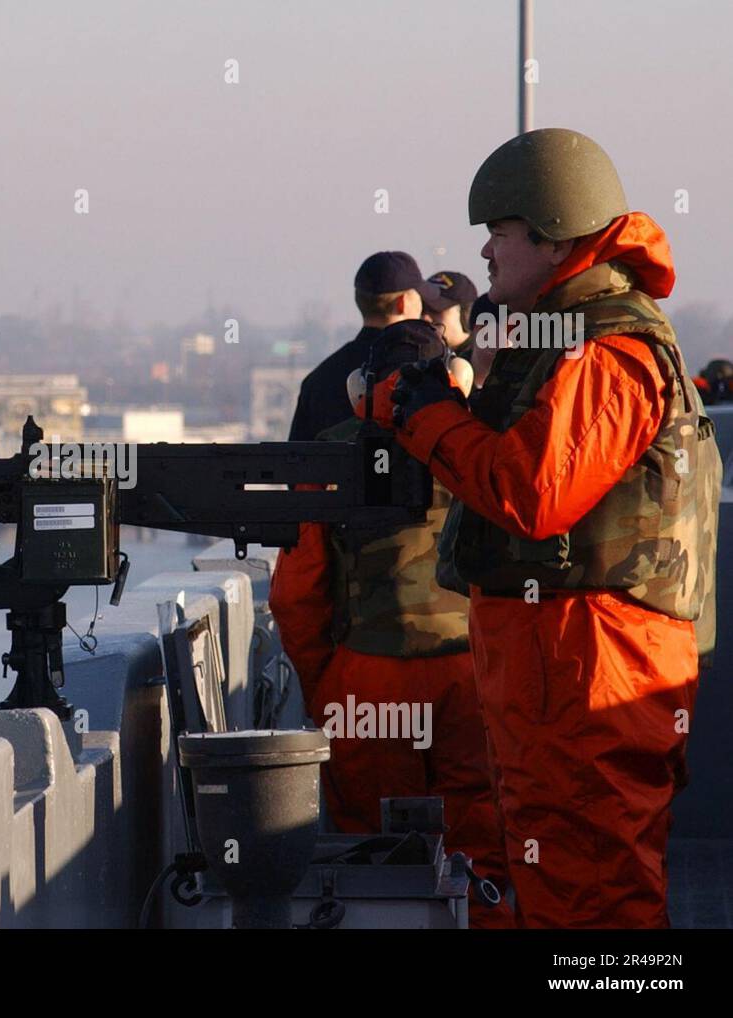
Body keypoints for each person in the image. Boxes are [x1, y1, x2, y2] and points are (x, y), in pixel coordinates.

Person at [378, 127, 720, 928]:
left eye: (499, 234)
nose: (488, 255)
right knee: (559, 873)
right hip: (560, 659)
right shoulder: (564, 335)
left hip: (590, 660)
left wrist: (426, 418)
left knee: (593, 888)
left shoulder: (606, 347)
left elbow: (534, 492)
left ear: (552, 230)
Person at [270, 319, 512, 928]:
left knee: (372, 857)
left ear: (361, 387)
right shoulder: (485, 443)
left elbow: (299, 595)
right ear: (455, 379)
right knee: (481, 853)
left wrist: (328, 686)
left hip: (365, 682)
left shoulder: (330, 453)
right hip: (472, 676)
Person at [287, 252, 449, 441]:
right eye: (420, 297)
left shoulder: (317, 380)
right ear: (402, 303)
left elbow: (296, 459)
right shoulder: (425, 368)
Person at [423, 270, 479, 355]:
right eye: (423, 309)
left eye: (436, 310)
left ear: (467, 315)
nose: (425, 318)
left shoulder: (485, 362)